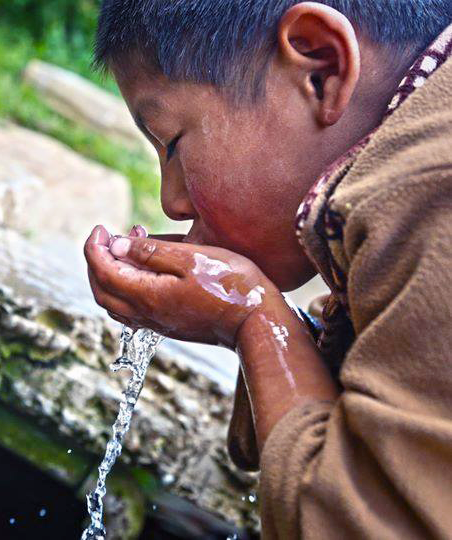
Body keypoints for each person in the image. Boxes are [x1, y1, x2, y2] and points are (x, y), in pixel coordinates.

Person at [83, 1, 452, 537]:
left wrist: (251, 317)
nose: (172, 202)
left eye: (172, 143)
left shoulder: (429, 184)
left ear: (321, 69)